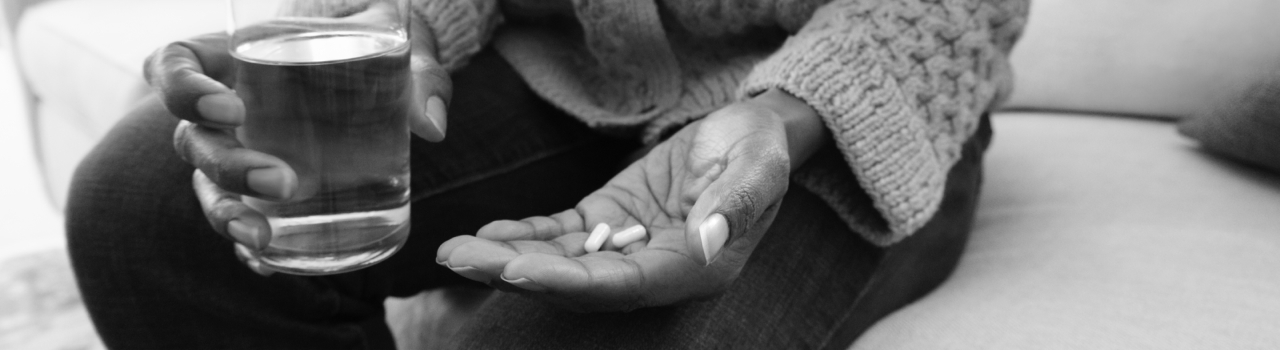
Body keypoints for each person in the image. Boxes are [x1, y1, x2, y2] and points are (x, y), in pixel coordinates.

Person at [66, 0, 1028, 348]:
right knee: (140, 204)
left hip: (849, 96)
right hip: (556, 60)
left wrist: (795, 111)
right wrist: (389, 20)